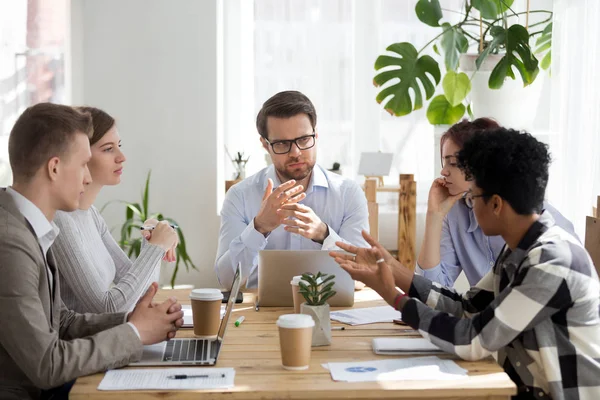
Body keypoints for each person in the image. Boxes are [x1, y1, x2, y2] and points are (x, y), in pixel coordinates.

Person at [331, 128, 600, 399]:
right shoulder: (519, 250)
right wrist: (390, 267)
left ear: (496, 204)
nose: (468, 203)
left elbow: (472, 340)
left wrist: (394, 297)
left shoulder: (551, 262)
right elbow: (466, 308)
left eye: (473, 196)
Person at [0, 103, 184, 400]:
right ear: (55, 167)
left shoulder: (31, 227)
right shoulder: (9, 244)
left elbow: (62, 323)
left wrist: (132, 322)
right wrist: (135, 334)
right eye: (83, 164)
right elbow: (47, 364)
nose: (87, 178)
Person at [215, 90, 369, 288]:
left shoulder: (348, 193)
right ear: (265, 144)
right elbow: (228, 281)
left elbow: (362, 276)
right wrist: (259, 227)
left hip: (330, 310)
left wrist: (323, 235)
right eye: (282, 143)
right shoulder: (239, 196)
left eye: (304, 139)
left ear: (316, 134)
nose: (295, 153)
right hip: (257, 314)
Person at [417, 118, 575, 287]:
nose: (443, 171)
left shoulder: (537, 225)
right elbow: (434, 289)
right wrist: (434, 215)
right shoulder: (455, 210)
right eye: (444, 161)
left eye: (453, 163)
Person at [51, 106, 178, 313]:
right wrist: (156, 247)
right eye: (108, 149)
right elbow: (107, 308)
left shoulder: (90, 215)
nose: (122, 157)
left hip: (102, 339)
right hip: (81, 344)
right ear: (81, 155)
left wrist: (152, 238)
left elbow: (142, 292)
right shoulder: (60, 220)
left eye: (119, 145)